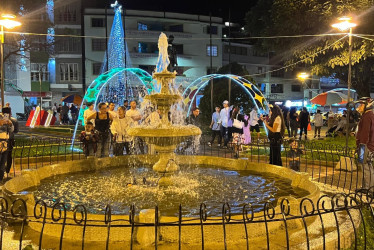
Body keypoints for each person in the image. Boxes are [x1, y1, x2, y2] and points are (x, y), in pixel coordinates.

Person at [356, 97, 374, 188]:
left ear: (367, 105)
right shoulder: (369, 115)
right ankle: (366, 187)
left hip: (365, 146)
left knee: (365, 167)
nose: (359, 106)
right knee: (367, 166)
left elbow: (365, 133)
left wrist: (361, 146)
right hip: (368, 146)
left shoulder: (367, 116)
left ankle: (368, 189)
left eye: (361, 104)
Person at [2, 107, 18, 175]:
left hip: (2, 140)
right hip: (10, 140)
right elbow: (16, 131)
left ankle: (2, 171)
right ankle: (7, 170)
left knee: (3, 156)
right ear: (10, 112)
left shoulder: (1, 120)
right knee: (9, 155)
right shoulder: (14, 120)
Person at [0, 114, 14, 182]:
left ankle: (1, 179)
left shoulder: (3, 117)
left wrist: (10, 124)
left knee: (3, 163)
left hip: (5, 143)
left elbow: (11, 130)